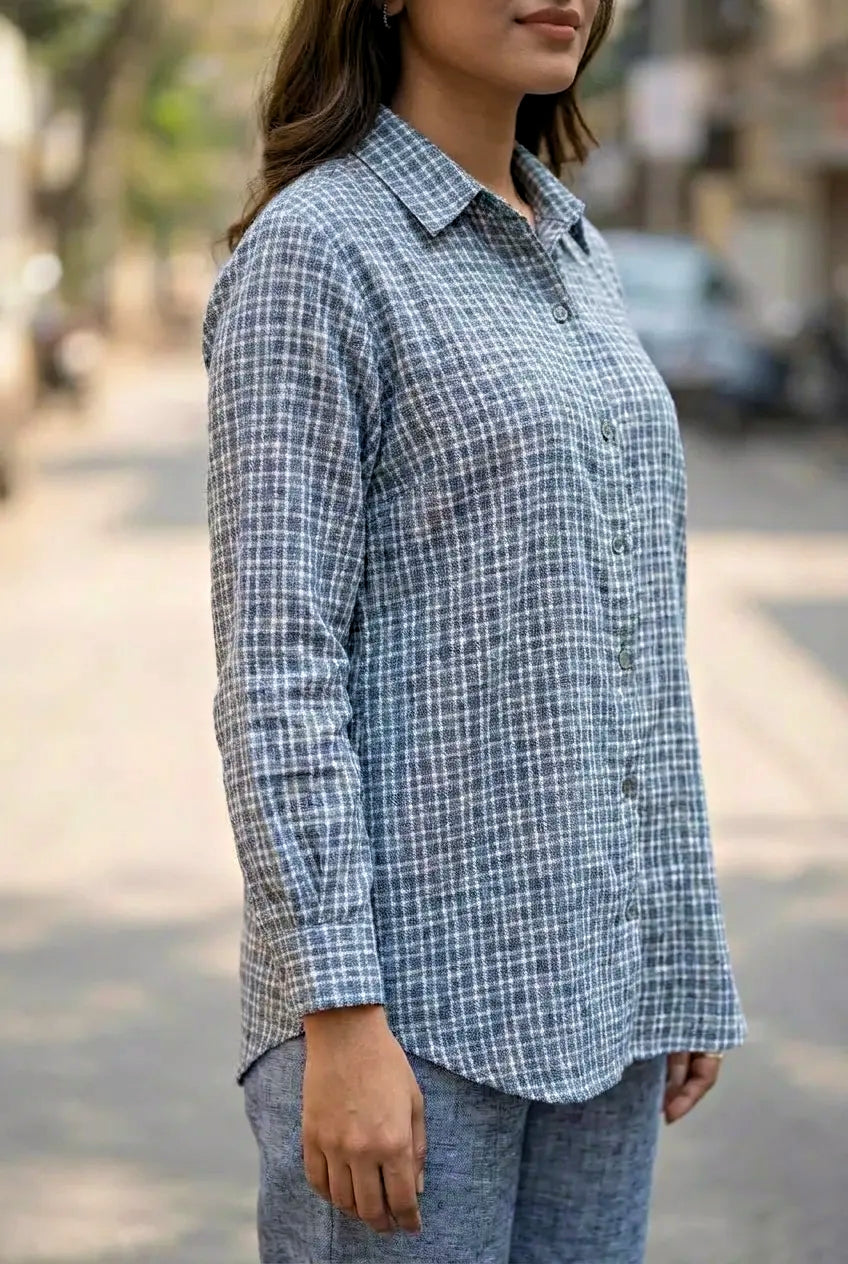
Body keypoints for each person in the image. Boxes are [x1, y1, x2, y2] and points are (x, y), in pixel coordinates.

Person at [202, 2, 748, 1260]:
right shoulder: (320, 251)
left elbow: (622, 635)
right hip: (409, 1021)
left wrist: (676, 942)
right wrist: (336, 1010)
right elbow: (278, 669)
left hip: (599, 1004)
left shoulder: (573, 246)